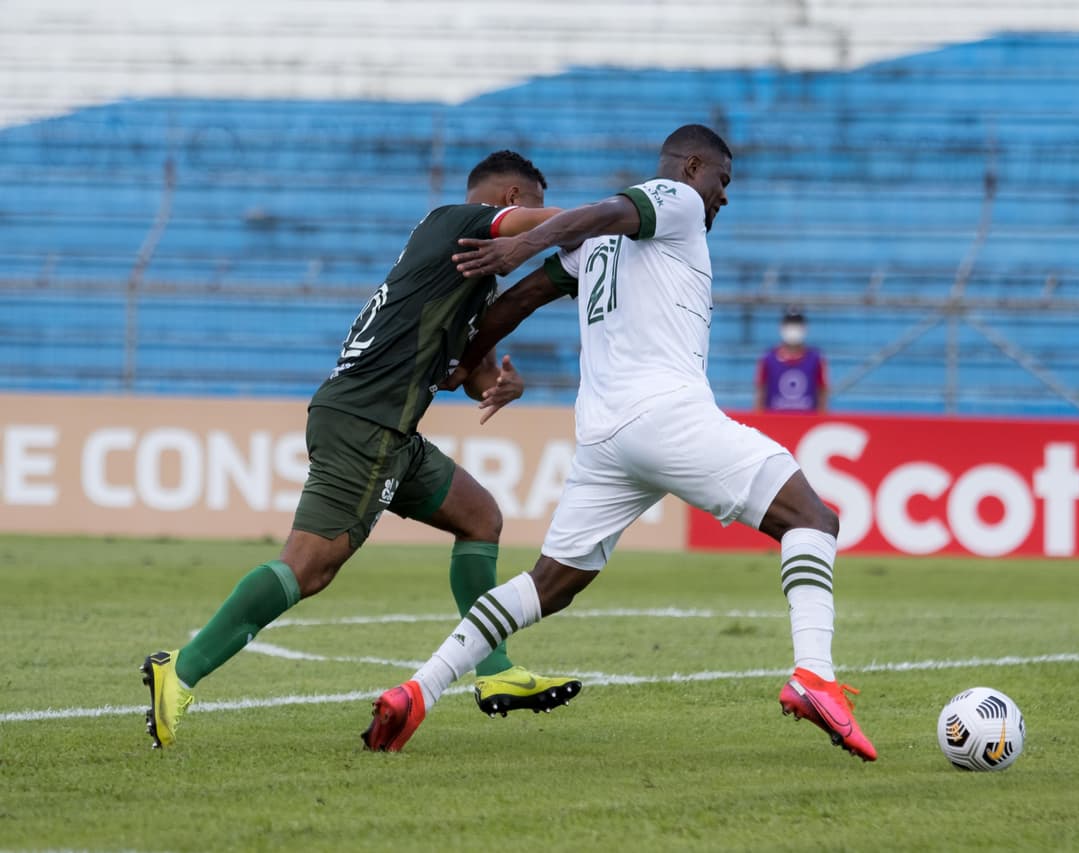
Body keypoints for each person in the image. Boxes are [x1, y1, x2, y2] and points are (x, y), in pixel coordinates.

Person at [360, 125, 877, 761]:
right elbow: (610, 208)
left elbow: (519, 301)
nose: (723, 197)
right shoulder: (675, 200)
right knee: (813, 519)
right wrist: (524, 242)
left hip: (605, 438)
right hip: (666, 415)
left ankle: (418, 691)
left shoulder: (594, 244)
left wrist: (465, 362)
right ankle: (814, 676)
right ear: (693, 167)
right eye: (724, 181)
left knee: (550, 582)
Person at [140, 151, 582, 749]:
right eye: (528, 208)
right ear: (507, 199)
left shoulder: (466, 273)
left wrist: (500, 384)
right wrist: (602, 220)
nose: (533, 220)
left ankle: (495, 671)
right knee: (309, 566)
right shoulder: (461, 221)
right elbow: (539, 225)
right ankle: (181, 671)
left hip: (390, 432)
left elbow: (461, 372)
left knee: (480, 518)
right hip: (365, 424)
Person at [755, 307, 828, 413]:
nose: (793, 329)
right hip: (774, 421)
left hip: (806, 421)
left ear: (804, 328)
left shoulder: (816, 359)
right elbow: (760, 392)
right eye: (790, 324)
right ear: (781, 328)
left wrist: (821, 418)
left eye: (797, 325)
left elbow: (822, 393)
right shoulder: (768, 358)